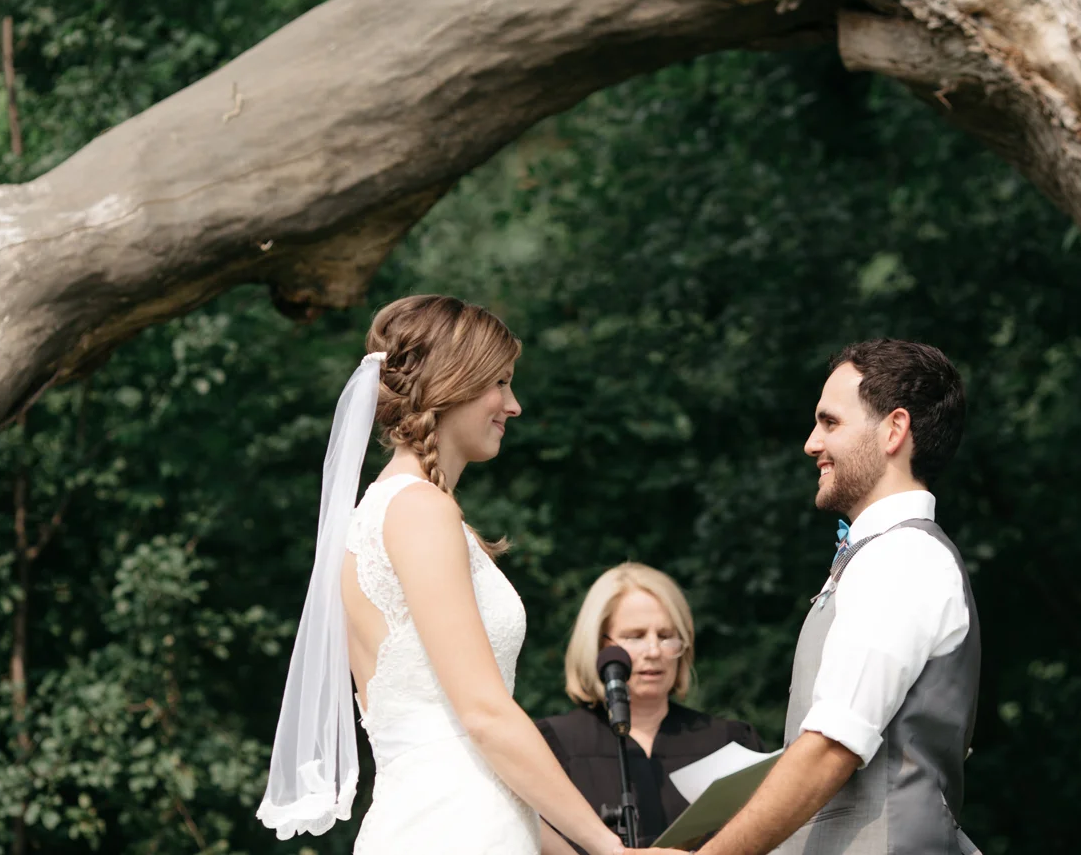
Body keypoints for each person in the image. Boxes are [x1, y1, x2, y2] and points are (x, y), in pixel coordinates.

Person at [256, 295, 634, 855]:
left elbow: (474, 752)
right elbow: (484, 715)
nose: (515, 405)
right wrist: (611, 849)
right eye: (500, 384)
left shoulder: (395, 509)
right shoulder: (418, 510)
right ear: (451, 383)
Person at [692, 339, 980, 855]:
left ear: (894, 430)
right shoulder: (878, 557)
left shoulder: (903, 558)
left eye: (830, 422)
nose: (810, 443)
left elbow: (830, 748)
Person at [537, 564, 764, 849]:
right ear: (597, 645)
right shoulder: (553, 746)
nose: (654, 651)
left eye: (666, 635)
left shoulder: (730, 742)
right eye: (635, 636)